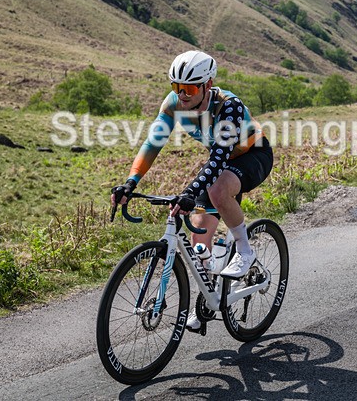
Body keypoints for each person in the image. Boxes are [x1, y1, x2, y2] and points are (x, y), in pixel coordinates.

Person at [111, 50, 272, 331]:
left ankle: (245, 251)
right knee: (200, 237)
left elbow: (220, 158)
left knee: (219, 190)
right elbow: (152, 144)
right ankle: (210, 299)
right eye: (176, 87)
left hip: (252, 155)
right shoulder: (174, 104)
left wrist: (189, 190)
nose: (181, 95)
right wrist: (130, 182)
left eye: (188, 88)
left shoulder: (228, 106)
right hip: (218, 162)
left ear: (207, 85)